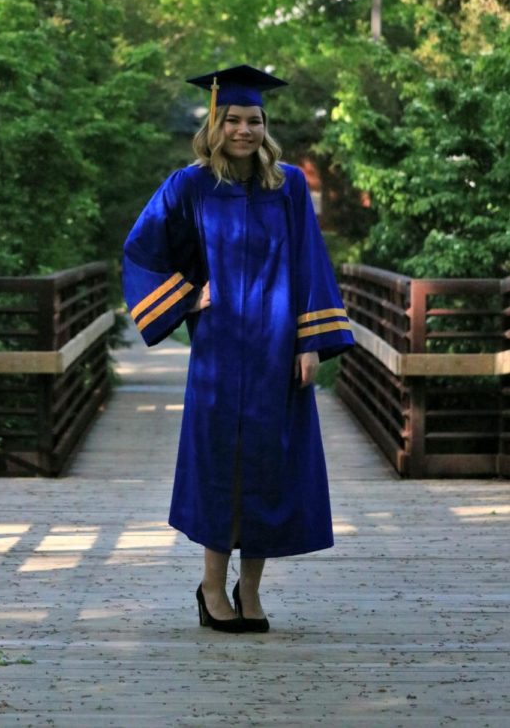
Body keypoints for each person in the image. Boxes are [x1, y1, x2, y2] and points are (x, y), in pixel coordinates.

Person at [122, 64, 354, 633]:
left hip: (277, 347)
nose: (244, 129)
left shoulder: (289, 185)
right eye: (233, 119)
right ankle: (210, 588)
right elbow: (141, 248)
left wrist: (309, 344)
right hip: (220, 352)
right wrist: (184, 295)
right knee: (219, 467)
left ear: (265, 126)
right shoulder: (190, 185)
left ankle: (250, 592)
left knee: (268, 467)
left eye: (253, 120)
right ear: (216, 123)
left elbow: (309, 263)